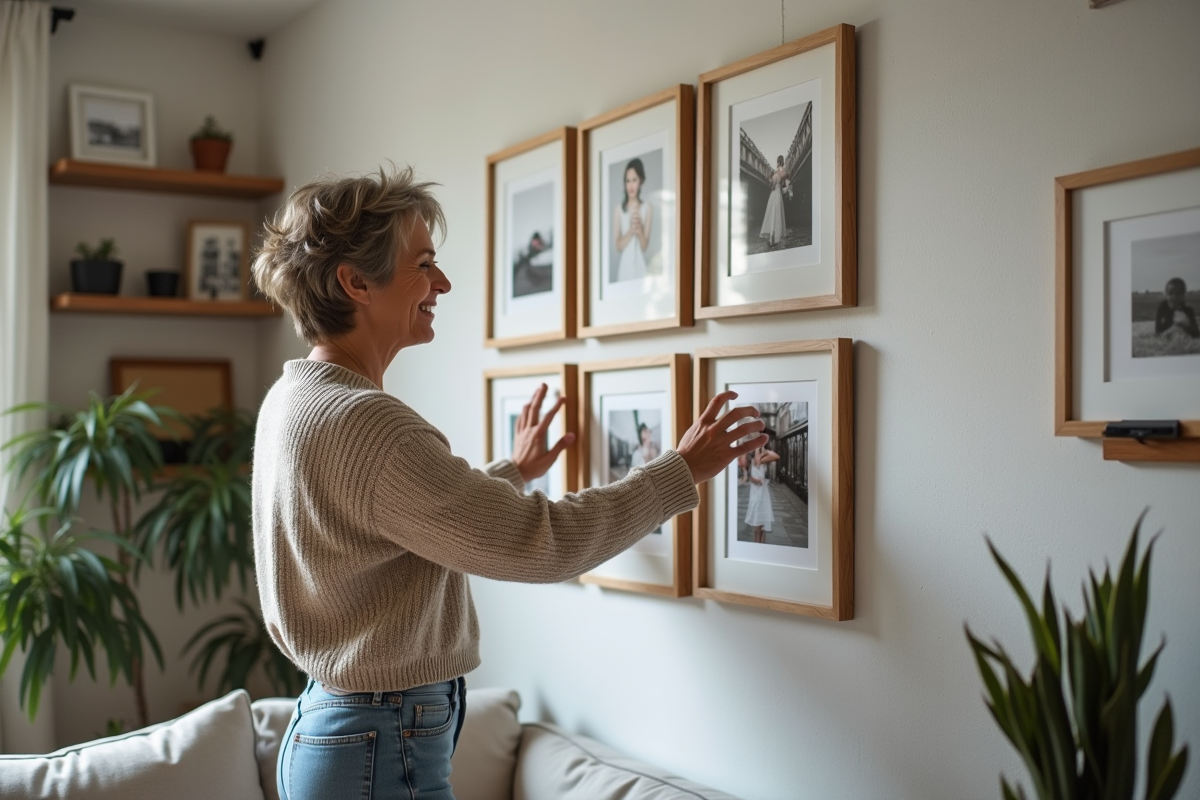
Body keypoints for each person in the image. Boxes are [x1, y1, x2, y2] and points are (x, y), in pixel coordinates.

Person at [249, 166, 766, 800]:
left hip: (346, 734)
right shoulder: (366, 423)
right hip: (378, 745)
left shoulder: (294, 399)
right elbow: (542, 543)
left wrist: (512, 473)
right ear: (356, 282)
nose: (443, 283)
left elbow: (388, 521)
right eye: (424, 264)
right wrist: (678, 472)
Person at [612, 157, 653, 282]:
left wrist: (639, 229)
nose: (630, 185)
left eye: (634, 180)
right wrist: (631, 229)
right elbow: (618, 246)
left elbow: (644, 246)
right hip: (625, 267)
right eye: (627, 181)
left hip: (640, 266)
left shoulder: (647, 208)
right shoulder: (619, 209)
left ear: (640, 180)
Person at [743, 444, 781, 544]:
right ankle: (758, 548)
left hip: (760, 496)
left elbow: (776, 456)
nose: (758, 452)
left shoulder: (757, 461)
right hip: (758, 497)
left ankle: (760, 547)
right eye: (758, 450)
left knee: (760, 528)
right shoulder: (757, 461)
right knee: (758, 528)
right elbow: (776, 456)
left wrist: (763, 451)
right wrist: (764, 451)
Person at [759, 156, 789, 249]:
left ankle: (773, 238)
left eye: (778, 162)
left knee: (773, 213)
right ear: (782, 162)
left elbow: (772, 185)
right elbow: (786, 180)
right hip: (778, 193)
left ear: (778, 162)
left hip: (774, 194)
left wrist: (772, 181)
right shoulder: (783, 172)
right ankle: (776, 237)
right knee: (777, 213)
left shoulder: (777, 173)